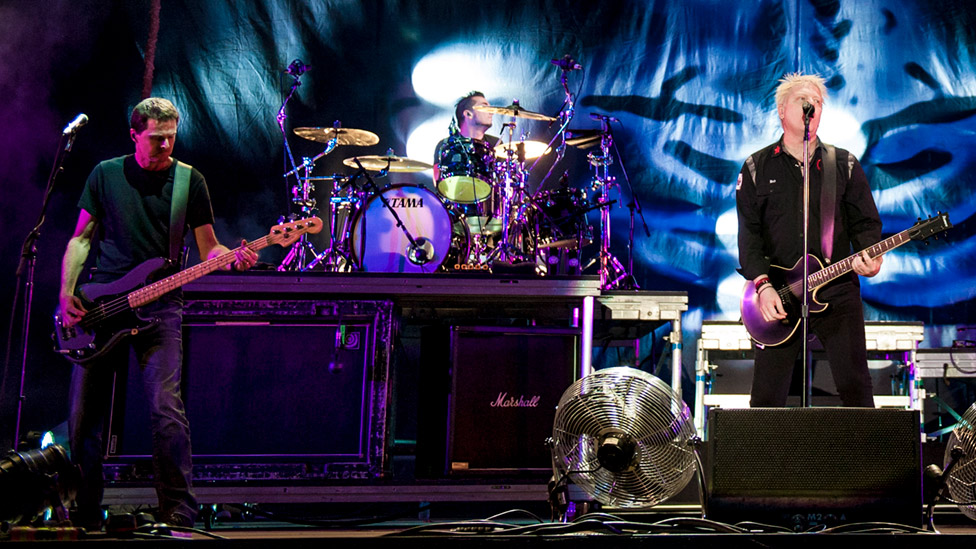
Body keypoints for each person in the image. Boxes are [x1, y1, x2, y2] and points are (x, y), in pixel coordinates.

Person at [58, 97, 258, 529]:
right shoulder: (105, 174)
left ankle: (179, 512)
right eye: (155, 138)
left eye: (171, 137)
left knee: (166, 410)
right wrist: (67, 292)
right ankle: (86, 513)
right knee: (83, 419)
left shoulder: (190, 181)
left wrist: (234, 256)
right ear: (134, 135)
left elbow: (209, 248)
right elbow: (81, 239)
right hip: (102, 306)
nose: (165, 145)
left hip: (161, 309)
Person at [735, 73, 884, 408]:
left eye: (817, 101)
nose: (811, 106)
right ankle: (767, 461)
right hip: (778, 293)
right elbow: (749, 234)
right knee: (767, 397)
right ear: (782, 111)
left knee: (856, 387)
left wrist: (870, 258)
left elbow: (866, 224)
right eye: (803, 99)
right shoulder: (757, 167)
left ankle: (865, 461)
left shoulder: (842, 163)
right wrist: (763, 285)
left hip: (837, 287)